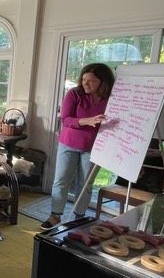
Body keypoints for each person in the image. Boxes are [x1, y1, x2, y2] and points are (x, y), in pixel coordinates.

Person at [41, 63, 116, 230]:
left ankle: (79, 216)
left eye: (92, 81)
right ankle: (55, 215)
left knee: (86, 184)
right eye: (84, 79)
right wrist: (86, 121)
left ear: (103, 82)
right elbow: (65, 119)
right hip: (68, 144)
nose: (86, 84)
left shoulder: (111, 98)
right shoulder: (74, 94)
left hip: (94, 147)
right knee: (61, 180)